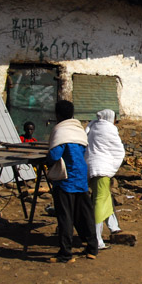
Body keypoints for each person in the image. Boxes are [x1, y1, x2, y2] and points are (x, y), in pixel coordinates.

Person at [47, 100, 98, 263]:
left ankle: (65, 253)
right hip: (81, 177)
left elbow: (55, 155)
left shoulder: (61, 131)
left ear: (58, 115)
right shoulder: (78, 130)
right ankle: (92, 249)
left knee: (65, 216)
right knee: (85, 215)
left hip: (65, 179)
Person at [85, 109, 125, 250]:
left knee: (103, 197)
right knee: (99, 203)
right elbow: (117, 150)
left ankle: (113, 227)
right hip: (102, 169)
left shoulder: (93, 127)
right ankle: (96, 239)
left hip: (92, 167)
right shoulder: (109, 129)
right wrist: (112, 165)